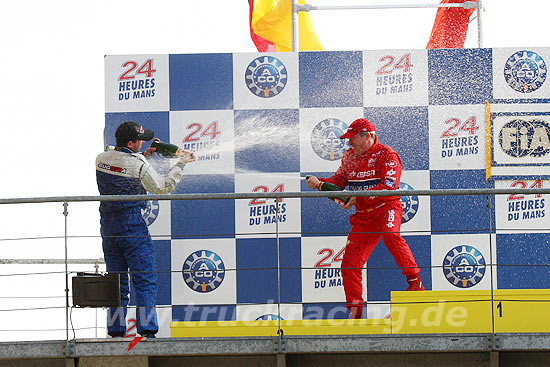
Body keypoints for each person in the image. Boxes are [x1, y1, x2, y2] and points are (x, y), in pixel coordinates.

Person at [306, 118, 424, 319]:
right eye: (348, 139)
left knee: (391, 235)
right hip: (363, 216)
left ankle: (415, 284)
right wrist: (320, 183)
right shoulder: (349, 157)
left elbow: (389, 187)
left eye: (352, 139)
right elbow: (338, 182)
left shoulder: (387, 155)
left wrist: (358, 196)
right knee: (350, 263)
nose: (349, 143)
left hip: (386, 208)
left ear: (367, 136)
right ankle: (355, 312)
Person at [96, 121, 196, 337]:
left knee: (116, 281)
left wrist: (145, 156)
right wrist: (181, 164)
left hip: (108, 227)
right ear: (131, 143)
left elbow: (121, 164)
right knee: (144, 278)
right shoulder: (139, 164)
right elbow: (162, 187)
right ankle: (147, 332)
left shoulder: (101, 159)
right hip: (131, 225)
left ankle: (115, 331)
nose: (143, 142)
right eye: (140, 140)